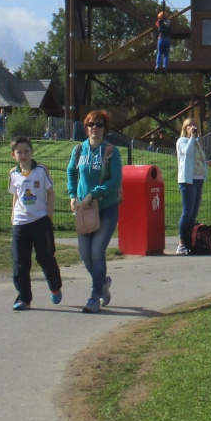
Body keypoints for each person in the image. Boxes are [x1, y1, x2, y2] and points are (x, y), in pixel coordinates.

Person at [66, 110, 123, 313]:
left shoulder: (110, 151)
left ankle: (94, 297)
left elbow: (115, 180)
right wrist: (73, 195)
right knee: (85, 255)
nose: (94, 128)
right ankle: (103, 283)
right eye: (90, 124)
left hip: (105, 208)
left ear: (105, 128)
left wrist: (94, 194)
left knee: (97, 252)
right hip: (84, 209)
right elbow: (71, 172)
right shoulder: (79, 150)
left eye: (99, 124)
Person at [8, 136, 62, 311]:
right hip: (20, 223)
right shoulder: (13, 174)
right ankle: (24, 298)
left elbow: (50, 193)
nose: (23, 155)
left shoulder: (41, 170)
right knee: (20, 262)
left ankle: (55, 287)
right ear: (13, 155)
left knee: (45, 258)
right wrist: (13, 216)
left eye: (26, 151)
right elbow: (16, 195)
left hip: (40, 221)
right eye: (19, 152)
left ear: (32, 152)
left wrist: (49, 216)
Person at [175, 117, 210, 254]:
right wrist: (191, 137)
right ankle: (181, 243)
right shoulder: (182, 141)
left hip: (198, 179)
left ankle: (189, 241)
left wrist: (207, 165)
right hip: (187, 181)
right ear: (185, 128)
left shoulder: (196, 143)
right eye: (190, 125)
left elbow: (201, 158)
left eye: (195, 125)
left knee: (194, 213)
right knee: (187, 212)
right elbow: (187, 153)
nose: (193, 127)